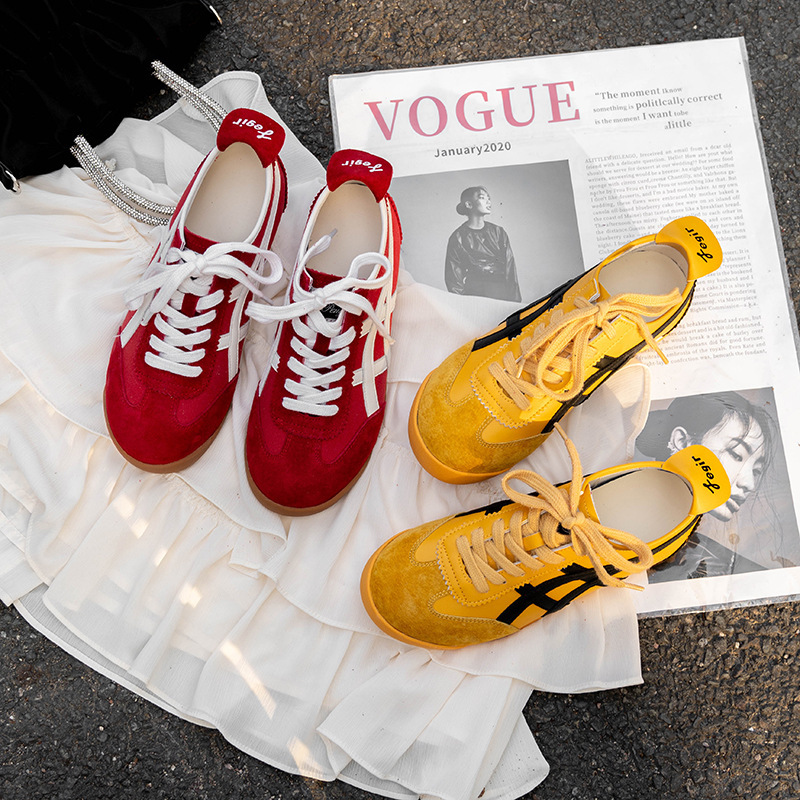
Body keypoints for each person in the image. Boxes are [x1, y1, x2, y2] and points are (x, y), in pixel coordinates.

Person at [634, 391, 797, 580]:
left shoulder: (745, 572)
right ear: (682, 442)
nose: (749, 483)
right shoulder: (619, 512)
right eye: (736, 454)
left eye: (756, 470)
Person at [444, 186, 521, 301]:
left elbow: (510, 268)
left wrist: (515, 302)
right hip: (473, 295)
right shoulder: (457, 237)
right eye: (482, 198)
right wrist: (460, 304)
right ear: (469, 204)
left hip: (500, 293)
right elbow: (453, 278)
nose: (488, 202)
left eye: (489, 198)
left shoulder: (499, 232)